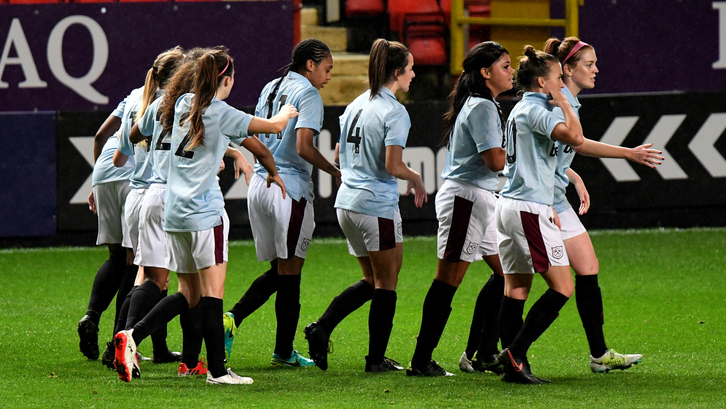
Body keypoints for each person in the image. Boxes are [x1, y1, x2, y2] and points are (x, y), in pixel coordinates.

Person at [113, 48, 297, 385]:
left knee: (188, 294)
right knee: (212, 294)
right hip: (205, 214)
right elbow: (271, 128)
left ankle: (132, 336)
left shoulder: (171, 105)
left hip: (174, 215)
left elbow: (135, 134)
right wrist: (286, 112)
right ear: (225, 80)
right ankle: (216, 371)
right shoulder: (221, 112)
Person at [305, 38, 426, 372]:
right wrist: (416, 178)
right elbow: (393, 166)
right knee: (386, 283)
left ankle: (322, 328)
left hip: (347, 204)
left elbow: (339, 156)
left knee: (372, 280)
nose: (414, 75)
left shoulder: (356, 105)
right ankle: (375, 360)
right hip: (375, 205)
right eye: (411, 69)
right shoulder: (394, 111)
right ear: (398, 72)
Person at [543, 36, 663, 373]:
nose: (596, 69)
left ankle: (599, 354)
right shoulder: (556, 102)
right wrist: (629, 153)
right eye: (589, 64)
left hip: (554, 199)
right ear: (567, 69)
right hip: (537, 202)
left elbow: (563, 152)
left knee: (587, 267)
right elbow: (537, 155)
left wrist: (572, 176)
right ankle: (493, 350)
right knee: (514, 280)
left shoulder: (567, 100)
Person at [222, 38, 338, 368]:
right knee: (290, 272)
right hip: (288, 188)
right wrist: (334, 170)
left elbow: (255, 133)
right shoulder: (309, 94)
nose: (328, 77)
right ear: (311, 64)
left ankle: (239, 322)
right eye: (327, 69)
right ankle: (279, 349)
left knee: (279, 270)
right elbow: (303, 147)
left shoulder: (272, 86)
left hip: (260, 182)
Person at [405, 42, 513, 377]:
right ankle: (421, 361)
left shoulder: (483, 104)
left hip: (480, 198)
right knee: (447, 281)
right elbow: (494, 160)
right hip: (466, 199)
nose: (512, 72)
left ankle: (481, 354)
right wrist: (527, 159)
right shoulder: (482, 107)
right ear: (486, 72)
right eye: (506, 66)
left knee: (506, 274)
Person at [495, 45, 584, 384]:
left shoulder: (521, 109)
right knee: (562, 288)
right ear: (542, 82)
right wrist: (562, 102)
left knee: (516, 289)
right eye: (558, 79)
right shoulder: (536, 111)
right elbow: (574, 137)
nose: (562, 83)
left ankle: (513, 366)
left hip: (512, 204)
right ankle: (515, 353)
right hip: (528, 207)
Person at [106, 47, 185, 368]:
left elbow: (118, 155)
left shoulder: (141, 101)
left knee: (144, 277)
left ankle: (128, 346)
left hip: (137, 195)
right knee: (155, 280)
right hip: (159, 194)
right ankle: (123, 344)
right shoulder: (174, 105)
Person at [77, 83, 139, 362]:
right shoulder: (171, 98)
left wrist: (96, 180)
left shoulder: (133, 93)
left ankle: (91, 315)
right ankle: (117, 342)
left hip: (104, 169)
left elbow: (101, 135)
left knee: (116, 257)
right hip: (132, 175)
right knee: (134, 260)